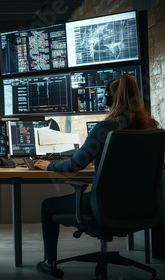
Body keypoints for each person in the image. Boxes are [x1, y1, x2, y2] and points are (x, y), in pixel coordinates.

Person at [34, 73, 159, 278]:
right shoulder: (151, 127)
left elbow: (75, 165)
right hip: (144, 207)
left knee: (48, 205)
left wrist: (50, 165)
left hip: (103, 205)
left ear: (108, 99)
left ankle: (50, 263)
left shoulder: (105, 128)